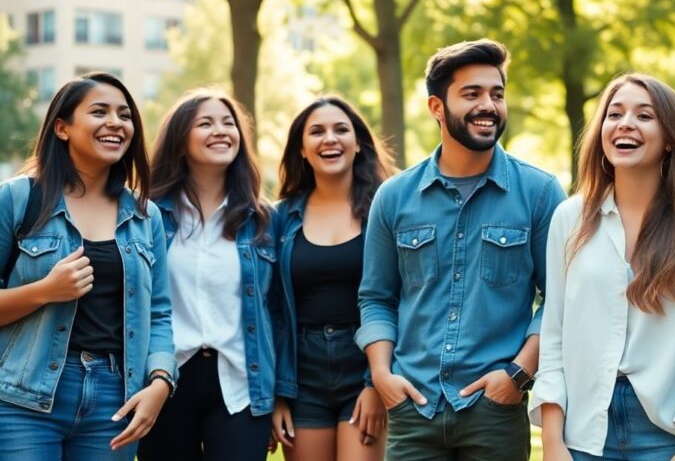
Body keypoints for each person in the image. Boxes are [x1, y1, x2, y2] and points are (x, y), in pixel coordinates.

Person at [356, 38, 566, 460]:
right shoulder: (394, 197)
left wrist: (518, 374)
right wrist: (381, 374)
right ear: (437, 107)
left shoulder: (540, 193)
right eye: (471, 94)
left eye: (497, 94)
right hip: (413, 405)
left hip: (494, 410)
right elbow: (376, 297)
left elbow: (561, 299)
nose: (488, 105)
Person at [531, 74, 675, 461]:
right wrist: (553, 441)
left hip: (665, 430)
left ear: (671, 137)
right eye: (614, 114)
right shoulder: (569, 217)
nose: (625, 123)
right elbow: (555, 330)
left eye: (645, 116)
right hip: (582, 429)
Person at [0, 72, 175, 460]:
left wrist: (160, 383)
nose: (116, 122)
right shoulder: (17, 199)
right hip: (22, 398)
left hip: (114, 399)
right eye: (100, 112)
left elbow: (159, 313)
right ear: (62, 128)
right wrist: (45, 291)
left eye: (125, 115)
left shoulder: (147, 217)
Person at [137, 90, 277, 461]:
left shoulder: (263, 220)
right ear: (180, 141)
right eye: (206, 123)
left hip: (241, 381)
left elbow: (278, 312)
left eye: (228, 123)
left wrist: (283, 396)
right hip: (163, 378)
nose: (221, 131)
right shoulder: (146, 216)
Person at [270, 96, 394, 461]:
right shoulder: (281, 219)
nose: (330, 139)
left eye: (341, 130)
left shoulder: (384, 210)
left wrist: (377, 382)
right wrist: (279, 392)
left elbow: (398, 297)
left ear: (358, 145)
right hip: (302, 373)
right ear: (303, 150)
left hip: (365, 361)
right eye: (317, 132)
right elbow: (272, 307)